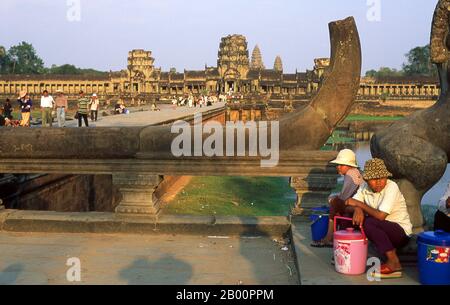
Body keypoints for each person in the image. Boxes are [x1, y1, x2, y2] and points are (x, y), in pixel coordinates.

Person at [346, 158, 413, 279]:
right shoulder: (364, 187)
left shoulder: (391, 187)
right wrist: (357, 209)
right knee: (352, 218)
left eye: (382, 178)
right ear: (366, 179)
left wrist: (359, 205)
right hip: (383, 230)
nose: (379, 182)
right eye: (374, 179)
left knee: (369, 222)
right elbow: (349, 204)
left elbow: (380, 216)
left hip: (400, 233)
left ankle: (394, 262)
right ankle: (350, 254)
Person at [311, 149, 364, 247]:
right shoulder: (356, 172)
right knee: (336, 202)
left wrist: (333, 200)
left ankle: (328, 237)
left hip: (357, 206)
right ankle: (331, 236)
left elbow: (344, 197)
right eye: (337, 165)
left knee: (334, 203)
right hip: (357, 203)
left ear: (349, 166)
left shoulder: (350, 174)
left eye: (341, 165)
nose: (338, 167)